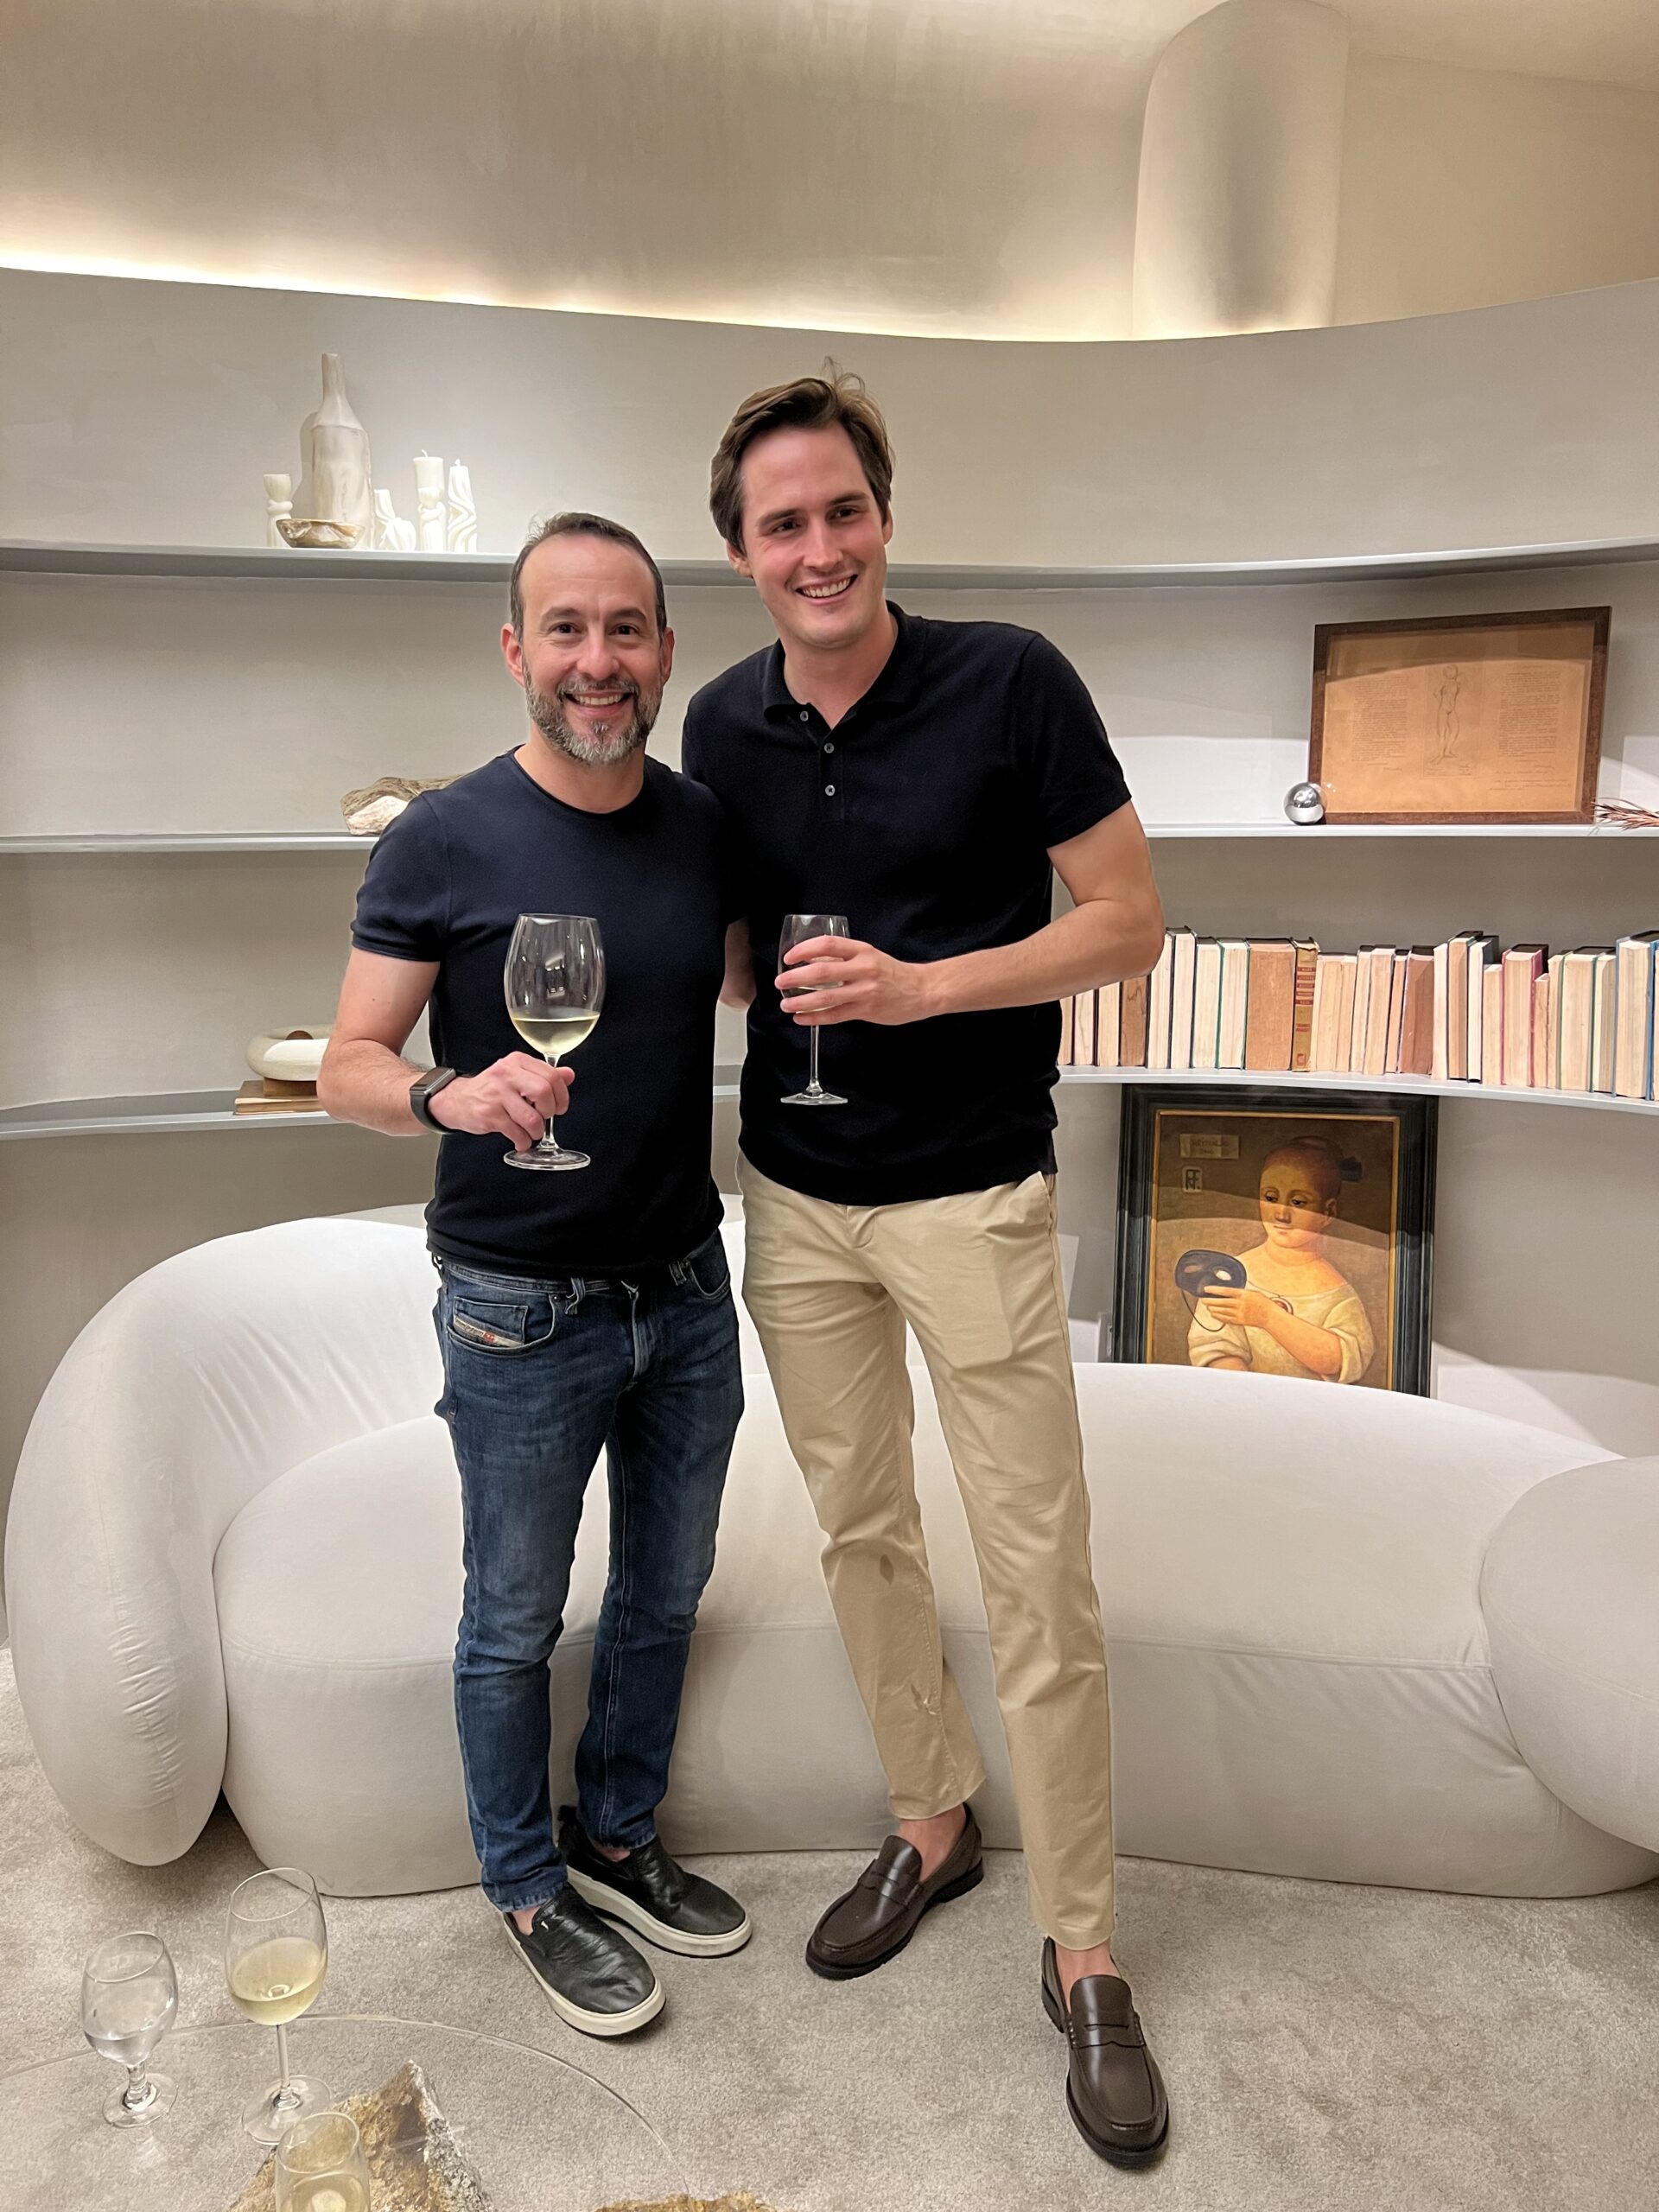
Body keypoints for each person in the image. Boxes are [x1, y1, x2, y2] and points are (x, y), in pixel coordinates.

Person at [681, 372, 1171, 2164]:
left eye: (843, 510)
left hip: (973, 1191)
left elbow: (1127, 920)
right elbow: (735, 960)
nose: (819, 547)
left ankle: (1085, 1945)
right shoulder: (720, 724)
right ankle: (933, 1816)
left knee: (1038, 1565)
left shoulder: (1013, 679)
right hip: (796, 1200)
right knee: (862, 1530)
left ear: (883, 515)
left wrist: (919, 987)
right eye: (782, 524)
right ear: (743, 554)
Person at [318, 512, 751, 2040]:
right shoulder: (441, 837)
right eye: (565, 628)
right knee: (512, 1620)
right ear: (517, 649)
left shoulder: (703, 827)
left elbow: (744, 980)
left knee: (666, 1592)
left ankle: (615, 1836)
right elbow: (347, 1065)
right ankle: (522, 1883)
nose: (596, 660)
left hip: (685, 1287)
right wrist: (448, 1094)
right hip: (518, 1305)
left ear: (665, 651)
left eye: (625, 628)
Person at [1188, 1136, 1377, 1382]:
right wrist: (1249, 1393)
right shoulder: (1230, 1274)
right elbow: (1214, 1347)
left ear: (1328, 1212)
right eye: (1270, 1198)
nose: (1281, 1214)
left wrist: (1268, 1316)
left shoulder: (1338, 1295)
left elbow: (1341, 1359)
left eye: (1298, 1202)